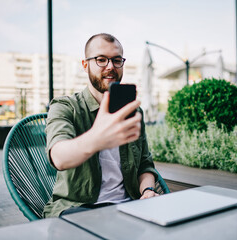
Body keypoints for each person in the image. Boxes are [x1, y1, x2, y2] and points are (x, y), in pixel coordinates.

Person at [43, 33, 159, 218]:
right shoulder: (65, 107)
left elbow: (145, 165)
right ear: (85, 64)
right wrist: (97, 138)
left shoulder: (133, 112)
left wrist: (147, 191)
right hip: (77, 209)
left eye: (116, 60)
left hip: (129, 207)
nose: (110, 67)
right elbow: (59, 157)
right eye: (101, 60)